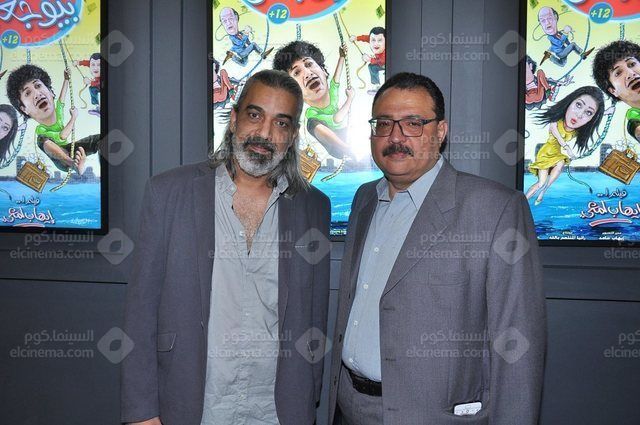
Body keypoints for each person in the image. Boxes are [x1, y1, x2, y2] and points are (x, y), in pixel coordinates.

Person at [327, 72, 546, 425]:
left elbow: (518, 345)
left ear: (440, 131)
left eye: (413, 123)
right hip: (349, 406)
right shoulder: (364, 199)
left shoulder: (494, 208)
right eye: (384, 123)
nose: (395, 137)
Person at [121, 69, 331, 425]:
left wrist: (306, 401)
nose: (265, 134)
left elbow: (315, 317)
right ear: (234, 119)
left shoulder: (314, 207)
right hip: (191, 406)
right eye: (255, 115)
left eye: (281, 123)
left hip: (275, 412)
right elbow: (140, 311)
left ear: (293, 135)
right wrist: (142, 413)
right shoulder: (168, 192)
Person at [6, 64, 102, 175]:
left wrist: (66, 79)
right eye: (27, 93)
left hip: (71, 150)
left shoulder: (58, 111)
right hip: (61, 159)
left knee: (102, 138)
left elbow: (62, 97)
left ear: (50, 92)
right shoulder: (41, 130)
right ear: (24, 109)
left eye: (38, 86)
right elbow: (62, 136)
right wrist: (73, 118)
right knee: (43, 141)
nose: (37, 94)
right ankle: (73, 164)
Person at [273, 41, 355, 159]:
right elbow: (336, 119)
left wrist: (342, 56)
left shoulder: (333, 92)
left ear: (324, 71)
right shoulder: (312, 114)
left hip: (347, 133)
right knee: (311, 124)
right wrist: (349, 99)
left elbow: (336, 77)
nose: (308, 73)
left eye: (309, 64)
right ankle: (345, 147)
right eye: (297, 72)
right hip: (338, 147)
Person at [526, 86, 605, 205]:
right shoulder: (555, 121)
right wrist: (567, 148)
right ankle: (523, 201)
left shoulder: (577, 129)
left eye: (588, 112)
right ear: (570, 101)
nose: (579, 115)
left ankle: (543, 192)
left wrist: (606, 112)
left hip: (556, 154)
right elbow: (557, 136)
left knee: (561, 162)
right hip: (546, 153)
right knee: (541, 183)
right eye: (578, 105)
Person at [593, 40, 640, 143]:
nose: (630, 74)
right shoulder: (634, 122)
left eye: (632, 64)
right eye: (618, 73)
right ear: (613, 91)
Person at [350, 27, 386, 92]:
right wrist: (356, 38)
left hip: (389, 64)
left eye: (380, 40)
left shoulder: (386, 50)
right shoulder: (370, 39)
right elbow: (365, 38)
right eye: (373, 40)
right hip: (381, 63)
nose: (376, 43)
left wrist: (370, 59)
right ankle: (376, 86)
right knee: (372, 67)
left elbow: (382, 60)